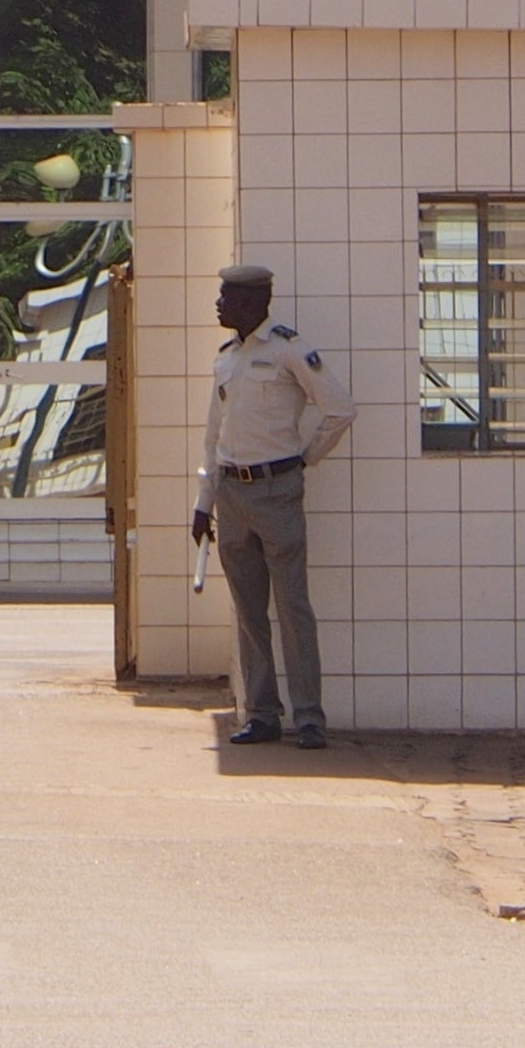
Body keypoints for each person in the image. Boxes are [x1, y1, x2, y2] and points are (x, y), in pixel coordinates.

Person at [191, 259, 351, 748]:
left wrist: (304, 459)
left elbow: (340, 410)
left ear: (253, 302)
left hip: (276, 489)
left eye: (227, 296)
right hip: (232, 492)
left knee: (292, 607)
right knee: (248, 611)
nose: (219, 304)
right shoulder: (227, 357)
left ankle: (309, 718)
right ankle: (262, 715)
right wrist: (203, 503)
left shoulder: (288, 350)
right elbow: (215, 436)